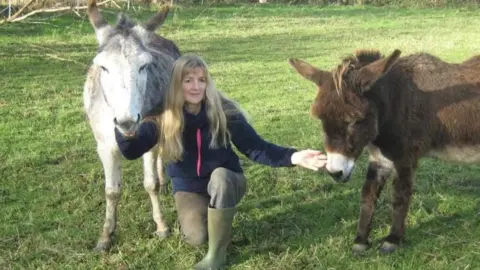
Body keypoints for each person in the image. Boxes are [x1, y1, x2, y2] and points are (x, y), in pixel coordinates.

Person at [115, 55, 327, 270]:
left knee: (220, 178)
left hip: (228, 179)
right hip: (189, 186)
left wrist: (295, 157)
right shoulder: (162, 115)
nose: (196, 87)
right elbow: (132, 151)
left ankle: (216, 257)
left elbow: (256, 147)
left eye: (202, 80)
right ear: (176, 84)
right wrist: (124, 127)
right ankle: (214, 218)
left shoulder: (223, 110)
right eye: (188, 80)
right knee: (196, 237)